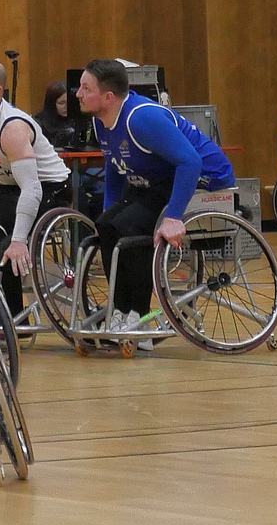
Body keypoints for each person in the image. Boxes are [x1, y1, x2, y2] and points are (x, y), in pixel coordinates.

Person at [76, 59, 236, 347]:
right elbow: (114, 168)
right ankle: (120, 311)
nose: (78, 94)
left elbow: (190, 162)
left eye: (85, 88)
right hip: (161, 177)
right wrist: (106, 215)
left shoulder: (141, 118)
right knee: (107, 225)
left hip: (203, 177)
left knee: (130, 226)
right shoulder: (102, 122)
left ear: (108, 97)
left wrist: (173, 217)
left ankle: (139, 315)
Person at [0, 58, 71, 313]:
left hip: (50, 188)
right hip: (10, 189)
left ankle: (13, 318)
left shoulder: (12, 128)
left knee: (7, 246)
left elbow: (33, 189)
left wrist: (20, 240)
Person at [35, 80, 89, 151]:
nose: (66, 106)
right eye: (61, 103)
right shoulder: (38, 123)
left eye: (69, 102)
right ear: (51, 103)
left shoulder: (79, 120)